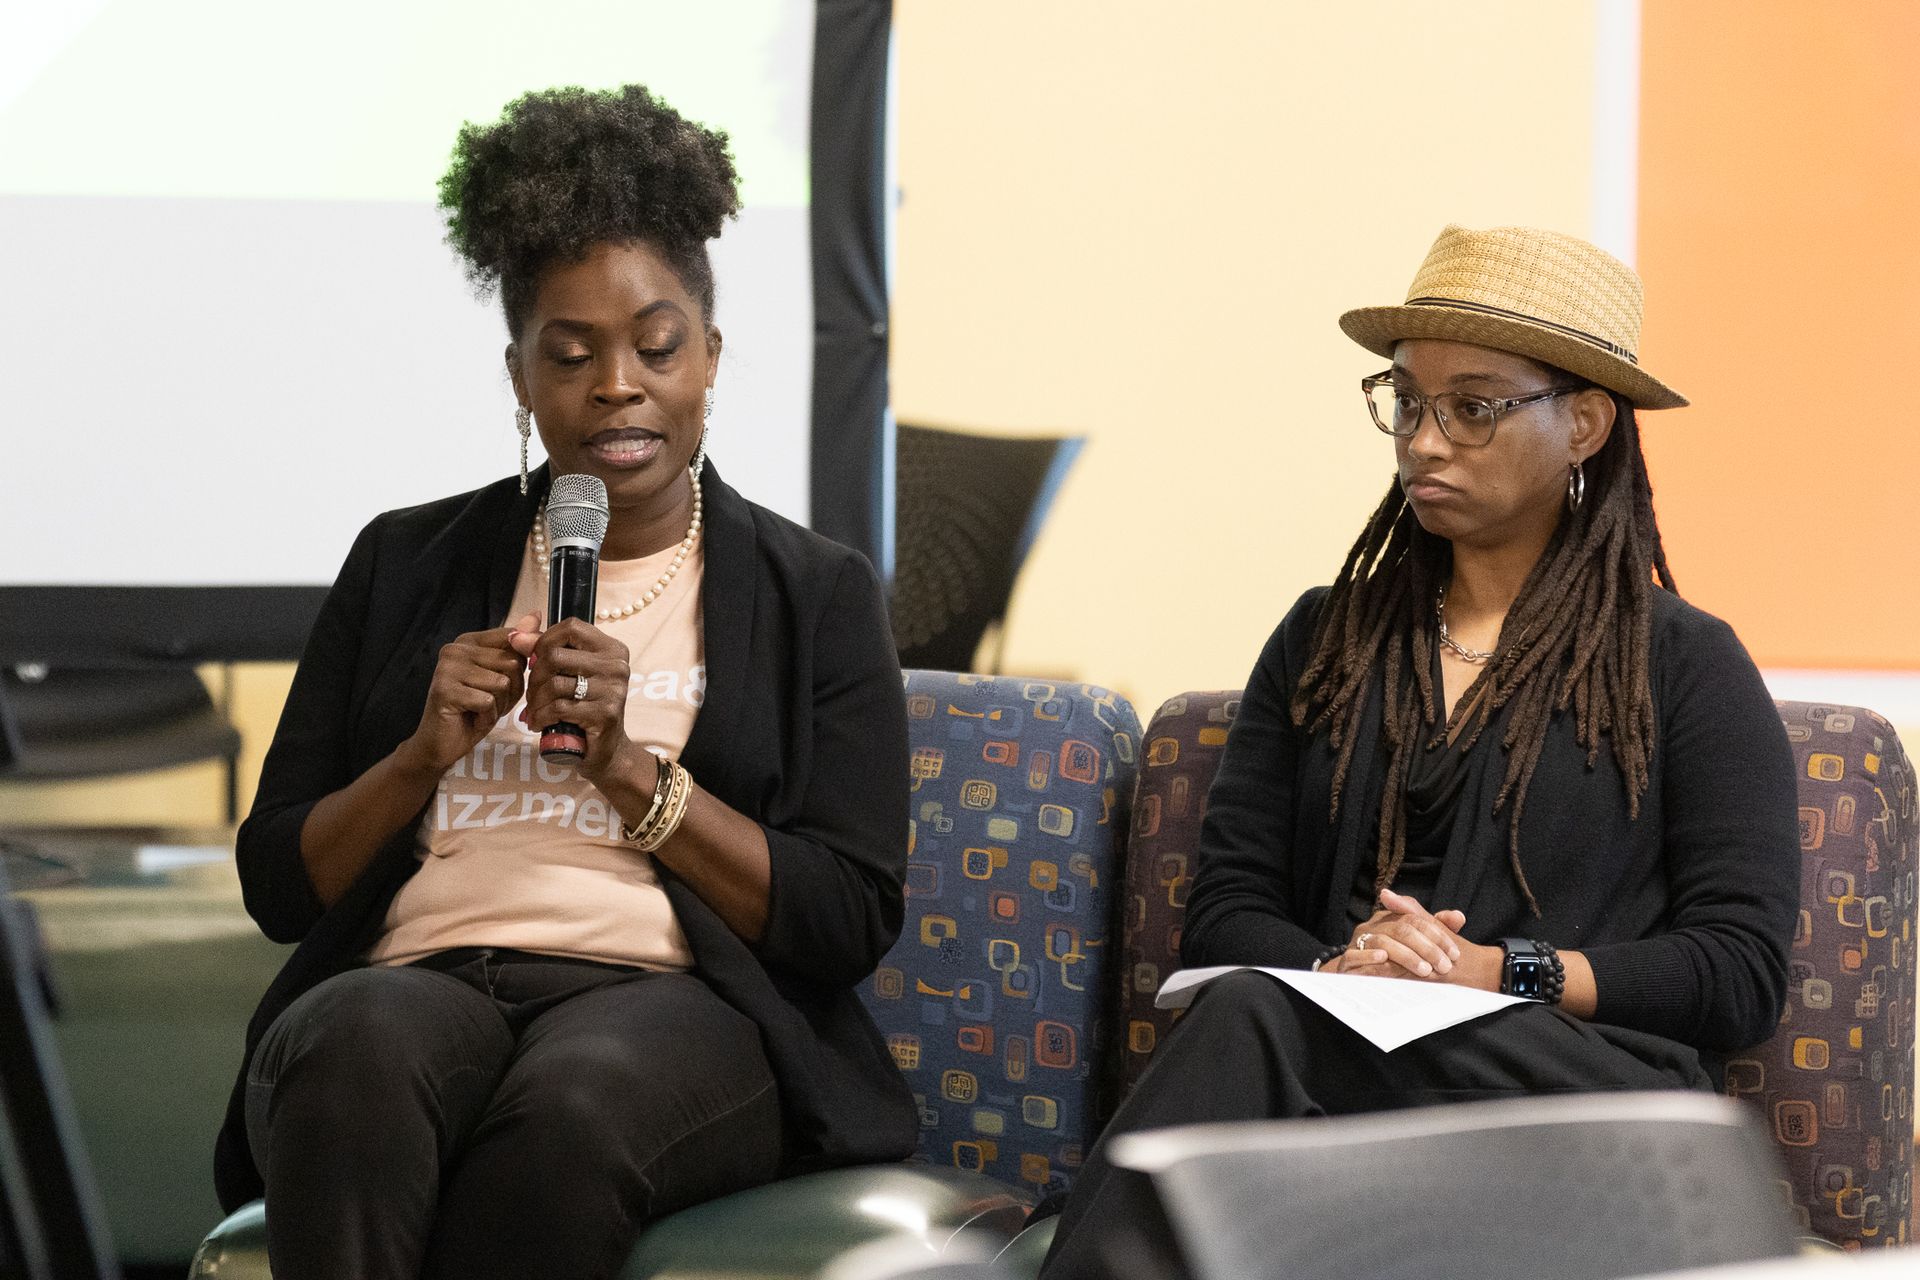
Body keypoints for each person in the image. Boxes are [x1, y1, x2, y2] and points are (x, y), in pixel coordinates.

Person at [214, 85, 916, 1280]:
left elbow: (847, 912)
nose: (617, 387)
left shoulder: (817, 590)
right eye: (571, 352)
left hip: (671, 999)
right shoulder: (404, 559)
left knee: (571, 1111)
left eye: (657, 344)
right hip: (420, 973)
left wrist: (634, 770)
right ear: (521, 374)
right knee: (354, 1053)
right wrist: (422, 753)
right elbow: (283, 879)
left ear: (710, 354)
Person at [1039, 225, 1799, 1279]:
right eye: (1408, 402)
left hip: (1582, 1096)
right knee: (1258, 1001)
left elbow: (1736, 970)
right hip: (1334, 1053)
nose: (1425, 441)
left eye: (1473, 407)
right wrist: (1345, 967)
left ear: (1582, 423)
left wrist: (1496, 971)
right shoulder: (1324, 640)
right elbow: (1227, 910)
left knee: (1254, 1019)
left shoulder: (1682, 661)